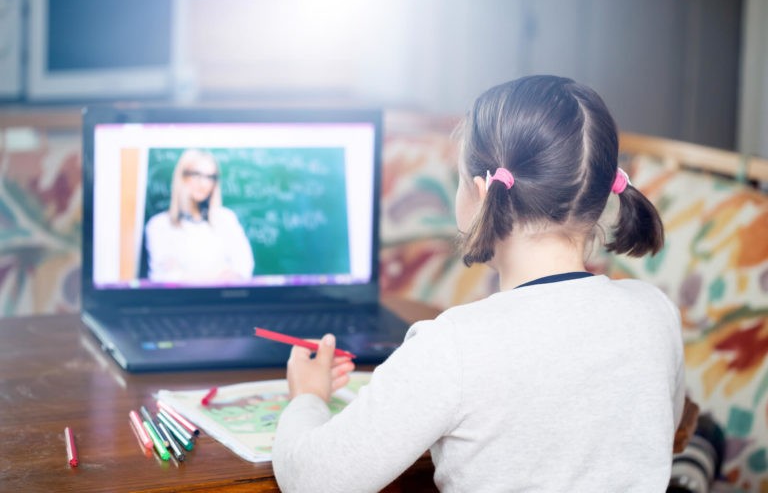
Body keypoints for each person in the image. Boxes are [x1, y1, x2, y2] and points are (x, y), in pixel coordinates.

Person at [271, 75, 687, 492]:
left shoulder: (452, 348)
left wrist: (307, 397)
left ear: (481, 193)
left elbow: (312, 482)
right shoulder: (654, 312)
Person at [144, 148, 254, 283]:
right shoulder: (159, 225)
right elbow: (164, 278)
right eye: (197, 175)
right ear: (182, 177)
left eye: (210, 177)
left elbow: (243, 267)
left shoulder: (226, 219)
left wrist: (187, 275)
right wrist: (219, 273)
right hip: (182, 302)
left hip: (225, 301)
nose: (204, 184)